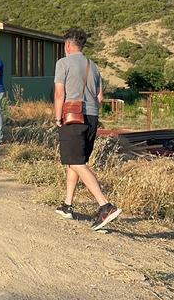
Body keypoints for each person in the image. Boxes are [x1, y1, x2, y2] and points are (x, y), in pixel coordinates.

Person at [53, 29, 122, 230]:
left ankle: (105, 205)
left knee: (74, 161)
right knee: (76, 161)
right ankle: (67, 205)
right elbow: (99, 97)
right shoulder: (93, 66)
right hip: (92, 117)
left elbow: (59, 93)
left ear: (67, 45)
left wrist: (58, 117)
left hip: (72, 116)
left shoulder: (63, 63)